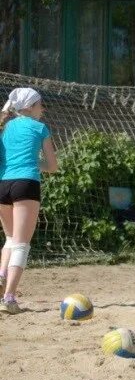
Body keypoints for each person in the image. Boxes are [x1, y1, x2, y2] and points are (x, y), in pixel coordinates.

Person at [0, 87, 58, 314]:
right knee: (22, 244)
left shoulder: (5, 127)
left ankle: (2, 277)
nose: (43, 108)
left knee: (10, 239)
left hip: (3, 184)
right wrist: (37, 165)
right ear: (30, 106)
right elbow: (53, 166)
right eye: (40, 104)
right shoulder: (39, 128)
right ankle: (10, 298)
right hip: (26, 184)